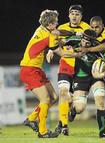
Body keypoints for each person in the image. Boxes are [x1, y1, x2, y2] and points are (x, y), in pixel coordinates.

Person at [46, 5, 90, 136]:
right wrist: (50, 50)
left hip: (82, 68)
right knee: (63, 92)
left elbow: (90, 43)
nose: (75, 16)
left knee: (80, 108)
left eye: (77, 13)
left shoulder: (87, 28)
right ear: (69, 15)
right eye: (72, 13)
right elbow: (55, 41)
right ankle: (63, 125)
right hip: (66, 65)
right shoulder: (62, 28)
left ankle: (72, 111)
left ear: (81, 16)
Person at [19, 9, 60, 138]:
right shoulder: (48, 35)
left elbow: (56, 37)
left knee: (53, 97)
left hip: (36, 69)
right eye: (55, 22)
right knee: (45, 99)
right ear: (50, 24)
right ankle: (43, 132)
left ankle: (31, 119)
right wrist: (77, 54)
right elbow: (60, 50)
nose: (57, 24)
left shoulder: (42, 30)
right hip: (29, 69)